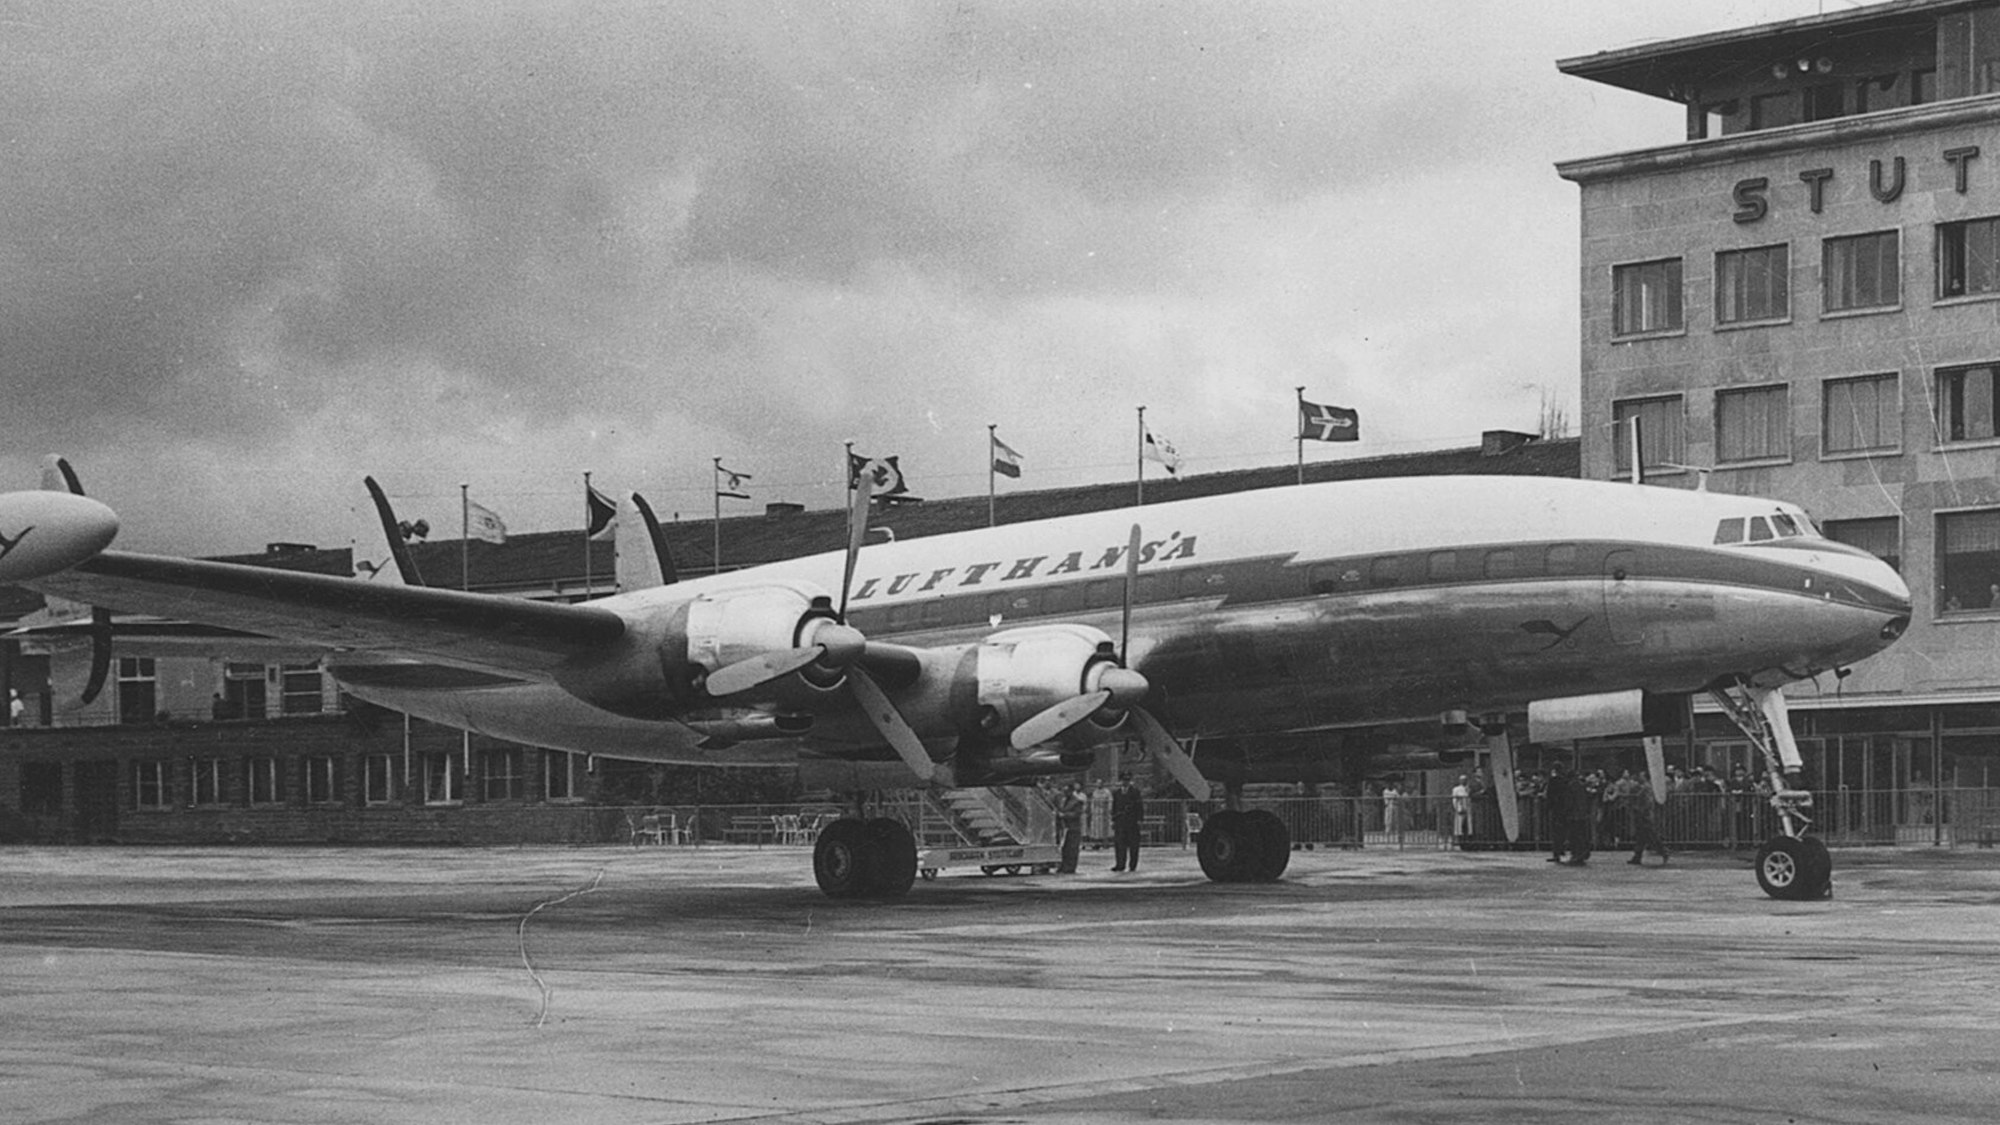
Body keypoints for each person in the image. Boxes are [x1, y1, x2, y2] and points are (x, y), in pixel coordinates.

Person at [1545, 761, 1593, 865]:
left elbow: (1569, 801)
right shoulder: (1580, 785)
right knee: (1581, 835)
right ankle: (1581, 854)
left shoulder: (1570, 786)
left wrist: (1565, 811)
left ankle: (1576, 855)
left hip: (1573, 814)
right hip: (1581, 814)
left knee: (1574, 836)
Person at [1626, 771, 1670, 865]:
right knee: (1641, 838)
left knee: (1650, 836)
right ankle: (1637, 856)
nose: (1640, 777)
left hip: (1645, 816)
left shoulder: (1647, 788)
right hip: (1643, 814)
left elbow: (1647, 802)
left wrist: (1641, 810)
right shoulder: (1646, 787)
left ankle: (1663, 851)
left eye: (1642, 776)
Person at [1110, 774, 1144, 872]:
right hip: (1120, 822)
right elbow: (1114, 807)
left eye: (1127, 780)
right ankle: (1120, 864)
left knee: (1133, 845)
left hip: (1132, 822)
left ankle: (1132, 866)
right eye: (1124, 780)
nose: (1125, 782)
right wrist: (1113, 820)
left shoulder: (1135, 792)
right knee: (1120, 845)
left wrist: (1140, 819)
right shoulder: (1117, 793)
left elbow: (1139, 806)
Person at [1057, 781, 1085, 874]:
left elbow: (1076, 814)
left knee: (1072, 849)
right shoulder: (1063, 800)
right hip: (1065, 828)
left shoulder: (1077, 801)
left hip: (1074, 828)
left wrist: (1064, 815)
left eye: (1067, 791)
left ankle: (1070, 867)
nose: (1065, 793)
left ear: (1071, 791)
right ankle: (1064, 865)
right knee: (1064, 848)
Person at [1450, 775, 1472, 847]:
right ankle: (1459, 841)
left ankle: (1468, 840)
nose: (1464, 781)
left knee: (1468, 826)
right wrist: (1458, 808)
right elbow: (1455, 800)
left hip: (1468, 808)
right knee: (1459, 826)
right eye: (1462, 780)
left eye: (1465, 780)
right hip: (1461, 808)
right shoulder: (1456, 789)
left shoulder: (1469, 788)